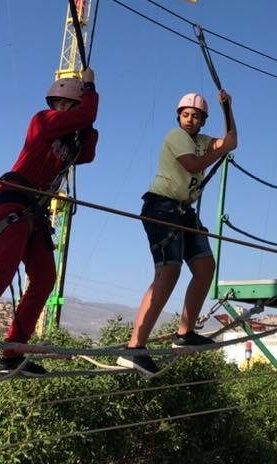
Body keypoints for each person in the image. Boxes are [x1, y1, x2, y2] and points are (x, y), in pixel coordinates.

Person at [118, 90, 237, 376]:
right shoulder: (175, 137)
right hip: (161, 207)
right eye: (186, 114)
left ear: (202, 120)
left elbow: (231, 141)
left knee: (205, 266)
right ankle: (136, 347)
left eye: (196, 116)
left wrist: (227, 109)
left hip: (183, 210)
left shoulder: (203, 141)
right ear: (178, 116)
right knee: (168, 271)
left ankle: (185, 332)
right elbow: (194, 164)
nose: (190, 119)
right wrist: (220, 149)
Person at [0, 69, 99, 376]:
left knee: (44, 277)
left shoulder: (69, 140)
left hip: (35, 210)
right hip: (14, 197)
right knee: (3, 269)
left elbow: (87, 154)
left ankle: (13, 349)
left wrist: (89, 127)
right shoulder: (43, 121)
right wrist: (91, 90)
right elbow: (85, 116)